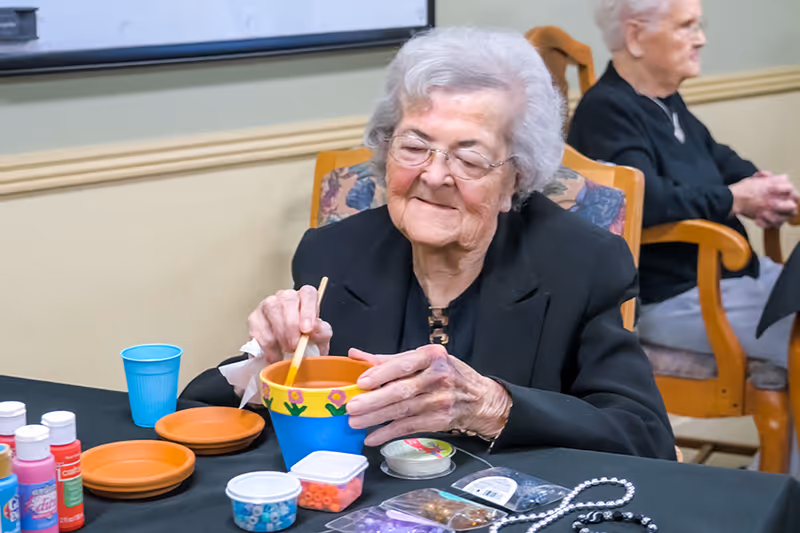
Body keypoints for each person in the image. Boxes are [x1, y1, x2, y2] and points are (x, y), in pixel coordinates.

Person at [183, 27, 676, 460]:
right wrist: (272, 367)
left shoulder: (582, 263)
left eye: (470, 157)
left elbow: (646, 439)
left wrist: (493, 406)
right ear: (385, 148)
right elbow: (199, 404)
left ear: (514, 180)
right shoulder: (334, 252)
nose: (434, 175)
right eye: (414, 147)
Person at [568, 0, 800, 366]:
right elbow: (647, 201)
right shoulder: (608, 110)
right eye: (686, 26)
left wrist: (764, 189)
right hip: (680, 296)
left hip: (733, 280)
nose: (701, 39)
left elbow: (719, 159)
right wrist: (735, 199)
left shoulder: (664, 102)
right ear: (636, 37)